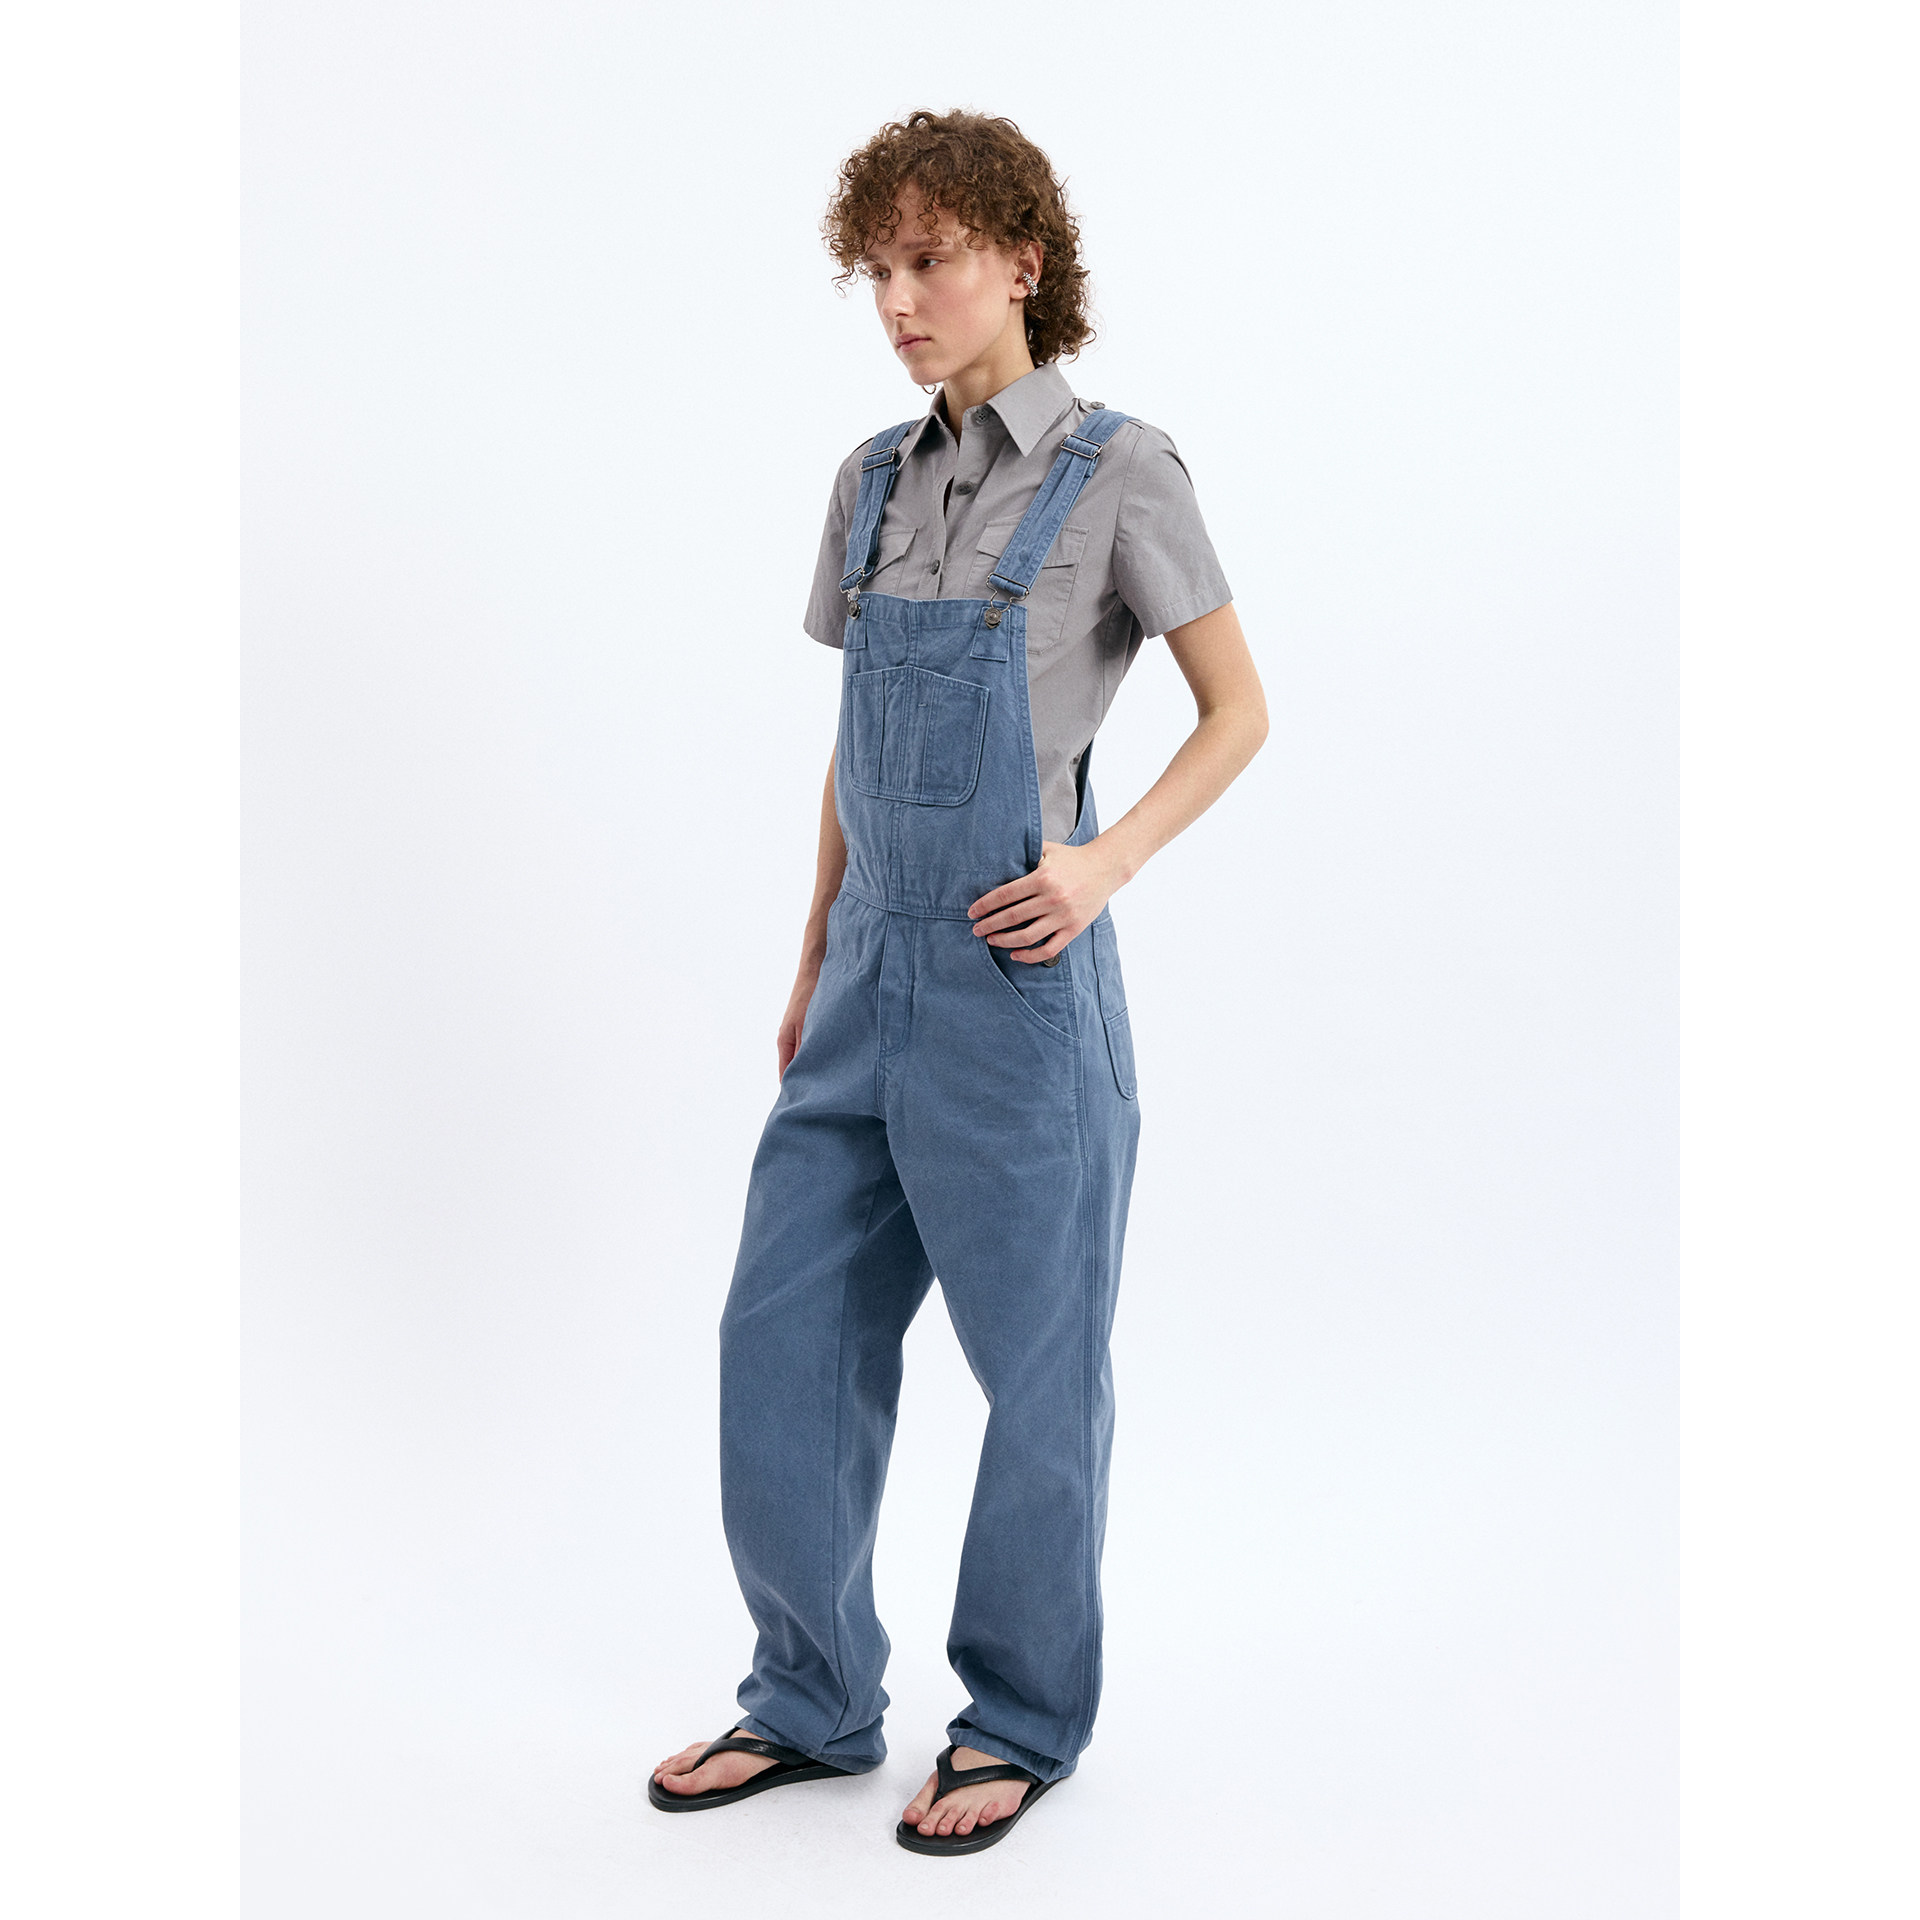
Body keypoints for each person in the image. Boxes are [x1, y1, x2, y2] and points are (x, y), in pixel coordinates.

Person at [649, 108, 1268, 1855]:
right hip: (863, 981)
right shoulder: (868, 481)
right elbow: (855, 741)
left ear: (1022, 262)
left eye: (928, 262)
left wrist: (1102, 863)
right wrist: (812, 945)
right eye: (878, 272)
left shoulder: (1123, 471)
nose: (899, 302)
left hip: (1020, 987)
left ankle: (1018, 1718)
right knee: (781, 1336)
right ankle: (811, 1699)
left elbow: (1240, 710)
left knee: (1039, 1373)